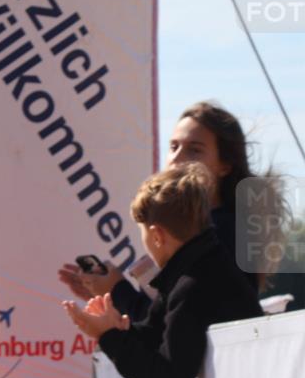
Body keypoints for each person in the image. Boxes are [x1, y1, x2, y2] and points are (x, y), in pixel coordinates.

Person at [58, 101, 288, 320]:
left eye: (194, 150)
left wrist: (118, 292)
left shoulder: (223, 231)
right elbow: (169, 320)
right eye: (173, 147)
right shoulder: (208, 227)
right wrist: (107, 297)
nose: (177, 158)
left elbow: (176, 329)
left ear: (225, 166)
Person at [63, 164, 263, 378]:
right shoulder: (194, 271)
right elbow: (156, 334)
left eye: (143, 232)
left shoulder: (192, 286)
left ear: (157, 236)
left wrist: (109, 337)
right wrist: (117, 328)